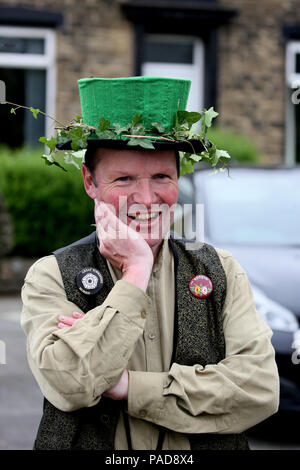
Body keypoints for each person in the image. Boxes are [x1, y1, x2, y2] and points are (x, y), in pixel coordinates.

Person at [21, 76, 279, 450]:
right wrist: (137, 272)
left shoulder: (220, 270)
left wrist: (128, 387)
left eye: (161, 176)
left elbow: (260, 391)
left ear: (179, 178)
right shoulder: (51, 276)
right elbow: (71, 385)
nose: (146, 197)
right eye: (124, 178)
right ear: (89, 181)